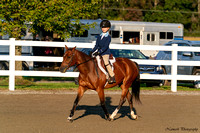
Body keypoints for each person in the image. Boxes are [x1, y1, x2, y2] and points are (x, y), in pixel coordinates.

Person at [91, 20, 116, 84]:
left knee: (106, 63)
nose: (103, 29)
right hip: (99, 52)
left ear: (108, 28)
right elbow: (96, 45)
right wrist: (92, 51)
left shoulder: (108, 37)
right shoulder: (99, 36)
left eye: (105, 27)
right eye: (102, 27)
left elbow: (105, 47)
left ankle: (112, 76)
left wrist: (99, 52)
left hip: (105, 53)